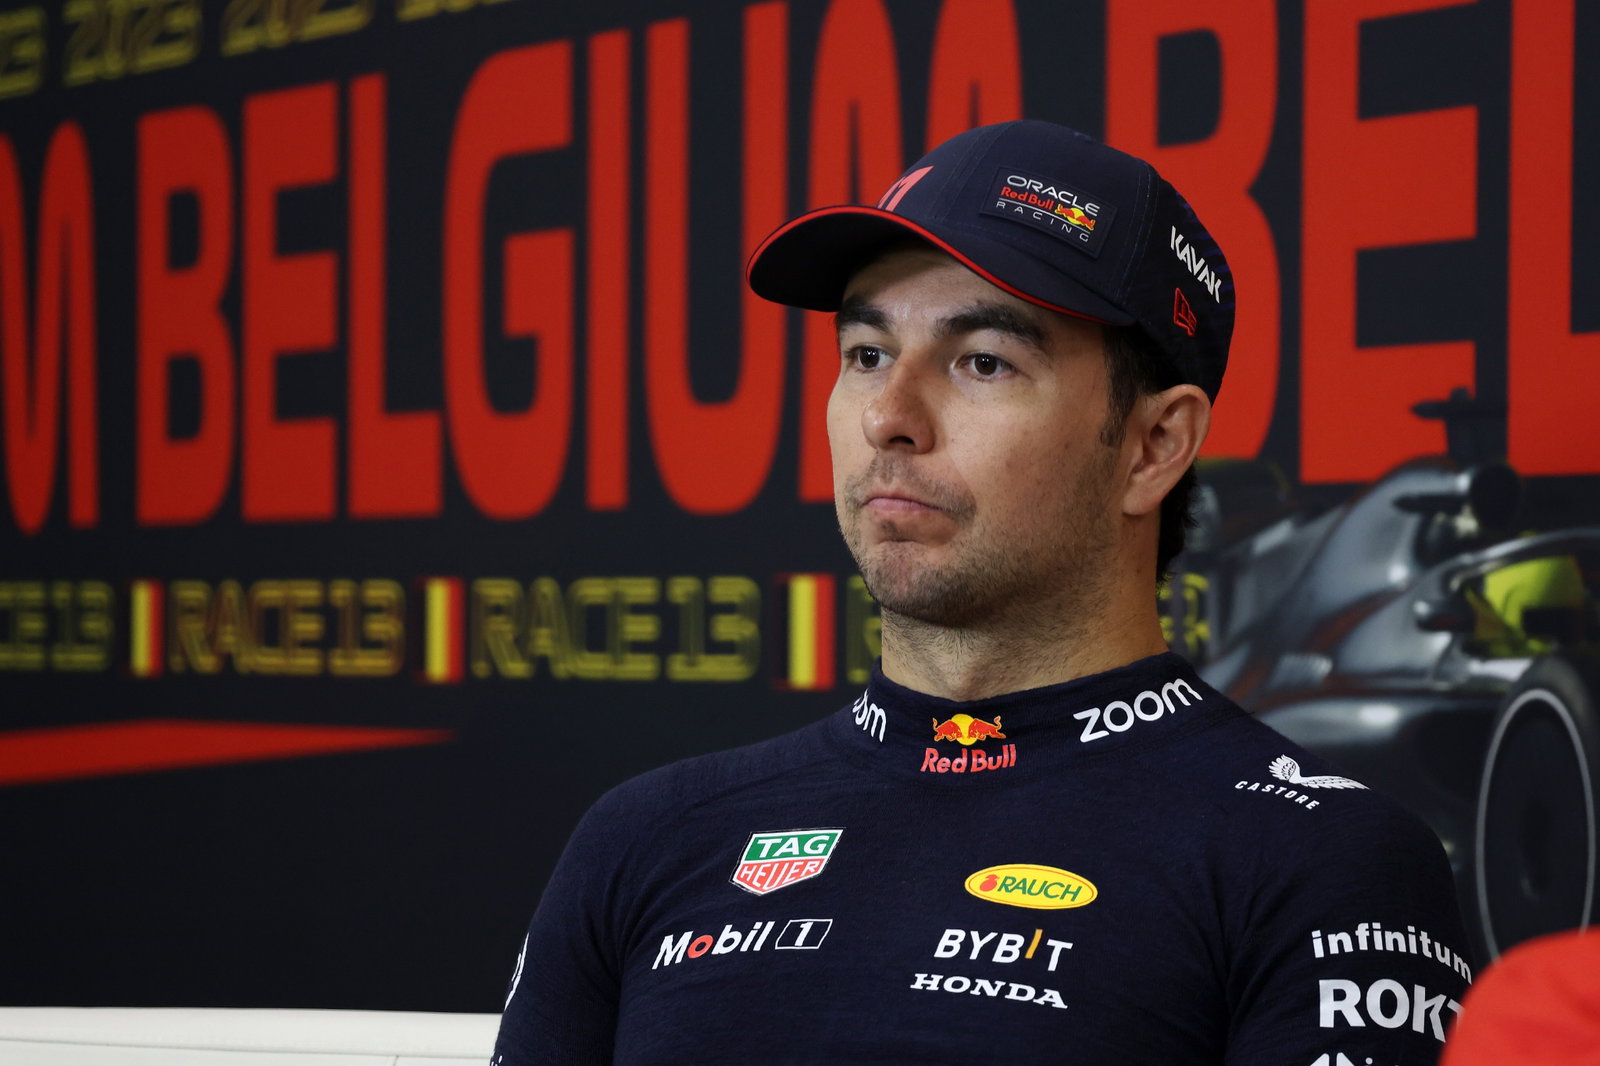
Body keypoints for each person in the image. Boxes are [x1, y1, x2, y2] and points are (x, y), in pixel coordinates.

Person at [491, 120, 1471, 1064]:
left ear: (1153, 444)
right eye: (867, 354)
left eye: (981, 361)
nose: (888, 415)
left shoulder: (1320, 858)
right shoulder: (647, 836)